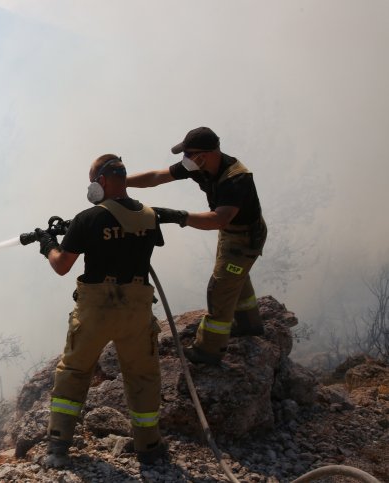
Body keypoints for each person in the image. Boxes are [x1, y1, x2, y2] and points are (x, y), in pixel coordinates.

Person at [33, 154, 167, 468]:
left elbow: (62, 265)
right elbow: (128, 235)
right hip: (136, 312)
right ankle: (149, 446)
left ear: (102, 181)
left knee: (75, 373)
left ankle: (58, 446)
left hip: (96, 311)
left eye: (93, 181)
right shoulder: (149, 216)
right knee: (142, 377)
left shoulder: (87, 219)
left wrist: (48, 243)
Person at [127, 127, 267, 365]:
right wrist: (121, 183)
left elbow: (218, 219)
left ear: (207, 154)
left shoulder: (236, 179)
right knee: (235, 275)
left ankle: (209, 351)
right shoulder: (200, 166)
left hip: (244, 239)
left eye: (190, 154)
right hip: (231, 234)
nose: (186, 160)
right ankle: (249, 324)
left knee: (220, 289)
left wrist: (179, 216)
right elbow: (157, 177)